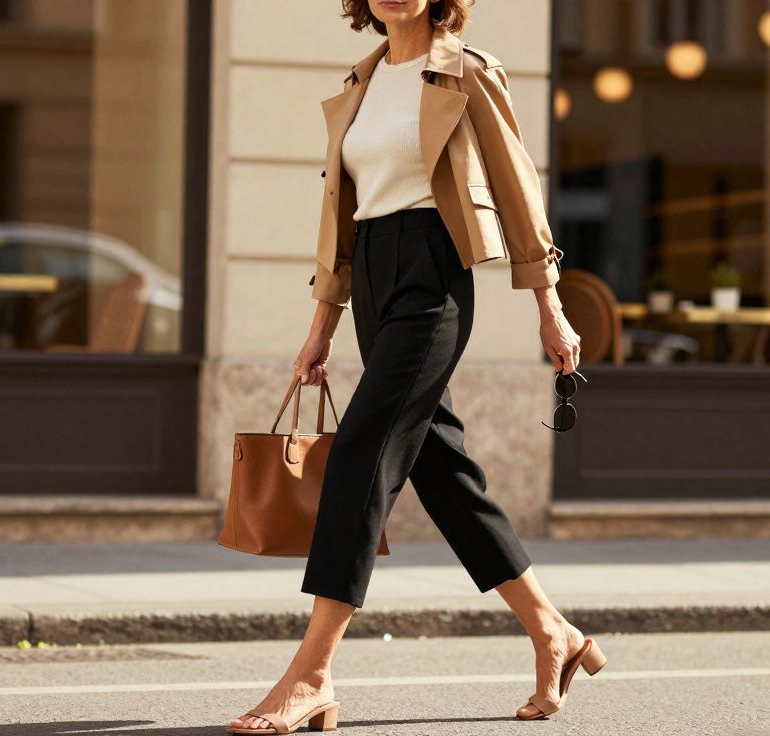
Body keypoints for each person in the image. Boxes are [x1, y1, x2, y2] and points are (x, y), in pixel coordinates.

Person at [227, 2, 603, 733]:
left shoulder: (466, 71)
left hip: (434, 279)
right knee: (442, 471)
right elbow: (340, 213)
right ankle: (554, 633)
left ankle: (312, 675)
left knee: (362, 451)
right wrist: (320, 328)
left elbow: (519, 193)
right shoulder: (362, 81)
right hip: (371, 278)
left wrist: (549, 308)